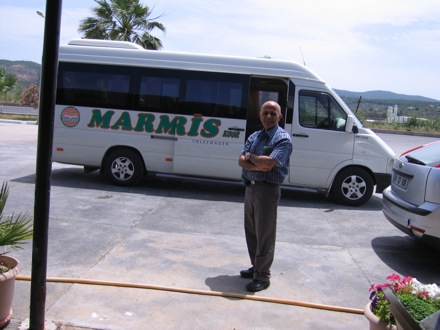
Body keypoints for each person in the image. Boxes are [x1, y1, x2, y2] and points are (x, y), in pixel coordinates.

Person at [238, 101, 292, 292]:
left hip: (267, 190)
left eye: (273, 113)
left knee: (265, 234)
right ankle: (256, 267)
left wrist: (250, 156)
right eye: (265, 112)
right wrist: (256, 162)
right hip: (250, 188)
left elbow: (268, 164)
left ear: (280, 117)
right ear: (260, 114)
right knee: (252, 232)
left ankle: (262, 276)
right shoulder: (255, 135)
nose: (269, 116)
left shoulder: (282, 138)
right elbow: (240, 161)